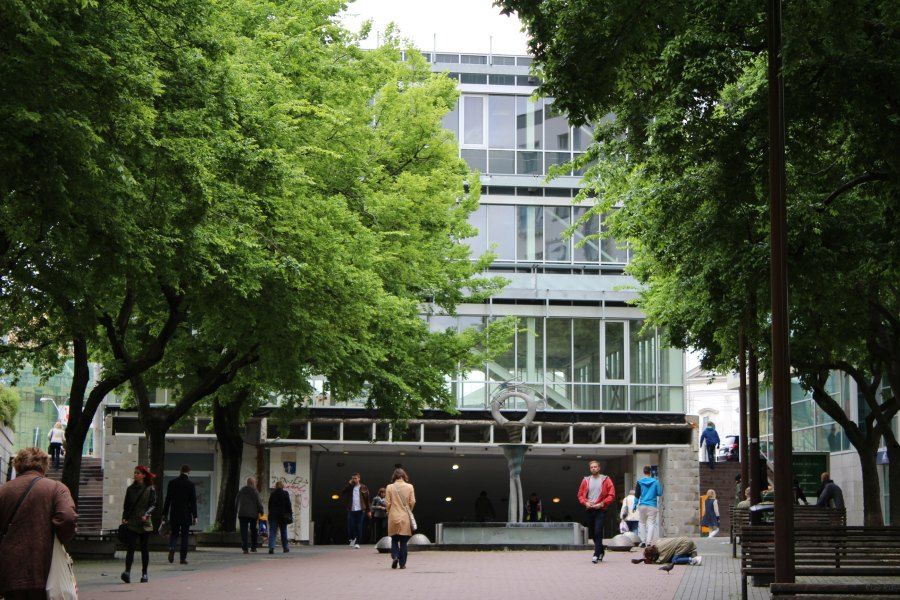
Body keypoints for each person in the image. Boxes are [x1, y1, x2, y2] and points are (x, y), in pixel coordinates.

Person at [0, 447, 78, 600]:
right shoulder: (56, 488)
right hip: (44, 567)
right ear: (44, 465)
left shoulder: (4, 491)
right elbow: (68, 518)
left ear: (17, 466)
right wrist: (59, 539)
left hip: (10, 570)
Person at [121, 465, 157, 584]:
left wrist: (146, 514)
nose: (135, 475)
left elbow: (153, 504)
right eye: (135, 472)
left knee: (144, 548)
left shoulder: (150, 489)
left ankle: (144, 573)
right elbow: (126, 506)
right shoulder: (130, 489)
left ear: (144, 475)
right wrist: (124, 518)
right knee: (130, 548)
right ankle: (127, 572)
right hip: (132, 521)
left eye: (138, 473)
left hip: (145, 522)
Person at [576, 459, 616, 564]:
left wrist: (602, 503)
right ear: (590, 469)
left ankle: (596, 554)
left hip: (601, 510)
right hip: (589, 509)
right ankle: (601, 550)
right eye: (591, 467)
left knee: (598, 531)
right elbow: (580, 495)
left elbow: (611, 494)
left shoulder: (606, 479)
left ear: (599, 468)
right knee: (592, 533)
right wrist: (585, 503)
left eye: (595, 467)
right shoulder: (586, 480)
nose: (593, 468)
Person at [163, 464, 198, 565]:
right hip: (186, 514)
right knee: (185, 536)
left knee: (174, 534)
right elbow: (193, 502)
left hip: (174, 513)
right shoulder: (190, 485)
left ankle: (172, 548)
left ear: (180, 471)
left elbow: (168, 500)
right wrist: (195, 516)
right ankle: (183, 559)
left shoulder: (172, 483)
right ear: (189, 472)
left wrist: (164, 513)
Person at [385, 467, 416, 570]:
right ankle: (402, 564)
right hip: (405, 516)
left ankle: (395, 556)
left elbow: (387, 503)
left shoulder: (389, 487)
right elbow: (412, 501)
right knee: (403, 542)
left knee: (394, 540)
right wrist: (409, 510)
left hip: (393, 516)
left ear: (394, 476)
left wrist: (389, 511)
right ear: (404, 476)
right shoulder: (410, 486)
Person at [341, 472, 371, 548]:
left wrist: (368, 510)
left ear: (359, 479)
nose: (354, 480)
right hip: (351, 510)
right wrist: (349, 484)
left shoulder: (364, 487)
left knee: (359, 526)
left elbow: (367, 499)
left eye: (355, 478)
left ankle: (357, 542)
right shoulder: (350, 487)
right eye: (353, 478)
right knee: (351, 526)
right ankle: (352, 539)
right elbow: (343, 492)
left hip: (361, 510)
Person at [635, 465, 663, 547]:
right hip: (652, 506)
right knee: (651, 524)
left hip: (642, 505)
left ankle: (643, 542)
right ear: (650, 472)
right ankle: (649, 543)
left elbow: (637, 495)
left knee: (642, 523)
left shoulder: (639, 482)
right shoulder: (656, 482)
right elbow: (659, 493)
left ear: (644, 472)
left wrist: (634, 505)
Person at [631, 537, 702, 568]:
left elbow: (660, 561)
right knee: (674, 556)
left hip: (684, 544)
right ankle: (691, 554)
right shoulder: (658, 543)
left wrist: (649, 561)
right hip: (685, 540)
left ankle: (694, 560)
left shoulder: (662, 552)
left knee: (674, 560)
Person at [236, 476, 264, 554]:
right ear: (252, 483)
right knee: (253, 530)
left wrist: (236, 510)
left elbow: (236, 501)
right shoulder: (255, 491)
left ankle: (245, 548)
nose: (255, 484)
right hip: (253, 514)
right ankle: (253, 547)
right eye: (255, 483)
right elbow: (259, 503)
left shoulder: (241, 490)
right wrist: (261, 512)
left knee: (243, 531)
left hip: (242, 514)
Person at [267, 480, 293, 554]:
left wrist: (270, 513)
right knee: (283, 531)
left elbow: (269, 505)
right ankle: (285, 548)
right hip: (283, 516)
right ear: (282, 486)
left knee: (272, 531)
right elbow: (288, 505)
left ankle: (271, 547)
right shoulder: (285, 493)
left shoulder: (272, 494)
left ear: (276, 486)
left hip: (273, 515)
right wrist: (290, 514)